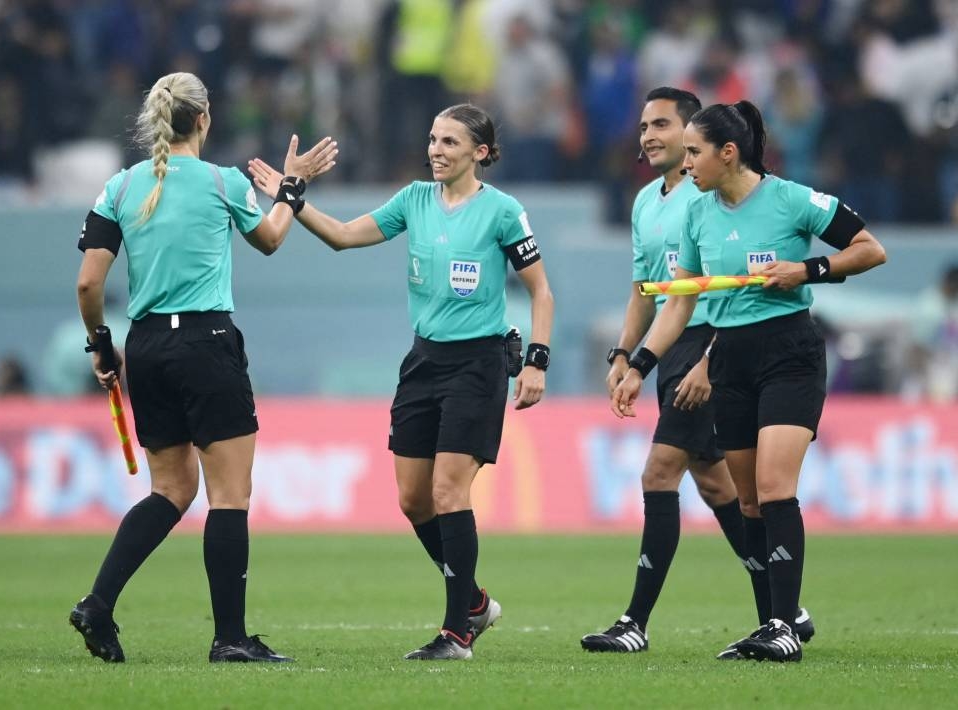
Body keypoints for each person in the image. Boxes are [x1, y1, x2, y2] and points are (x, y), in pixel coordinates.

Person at [248, 103, 555, 660]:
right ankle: (477, 602)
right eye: (433, 139)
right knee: (414, 500)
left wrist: (537, 360)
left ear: (480, 153)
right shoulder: (413, 200)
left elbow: (541, 291)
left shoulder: (504, 212)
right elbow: (342, 236)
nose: (436, 150)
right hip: (422, 363)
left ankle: (457, 632)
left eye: (450, 143)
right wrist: (292, 197)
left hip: (478, 364)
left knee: (448, 490)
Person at [69, 71, 337, 664]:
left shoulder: (117, 187)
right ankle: (230, 639)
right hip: (206, 341)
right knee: (229, 495)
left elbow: (90, 282)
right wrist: (290, 190)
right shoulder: (222, 182)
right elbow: (270, 240)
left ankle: (98, 604)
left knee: (171, 488)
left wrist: (101, 345)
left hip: (144, 347)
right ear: (205, 120)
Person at [612, 100, 887, 662]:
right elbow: (679, 303)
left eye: (695, 152)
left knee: (774, 487)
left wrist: (809, 270)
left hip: (789, 353)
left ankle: (784, 628)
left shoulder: (790, 199)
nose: (687, 164)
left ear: (727, 152)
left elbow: (870, 249)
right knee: (750, 503)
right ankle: (774, 625)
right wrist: (638, 364)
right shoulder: (698, 215)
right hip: (730, 359)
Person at [581, 87, 813, 655]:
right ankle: (784, 611)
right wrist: (625, 355)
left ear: (696, 137)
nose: (649, 136)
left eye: (662, 124)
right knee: (715, 485)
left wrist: (710, 357)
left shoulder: (711, 196)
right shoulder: (646, 202)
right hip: (670, 347)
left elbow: (721, 289)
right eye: (643, 126)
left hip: (709, 345)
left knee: (659, 473)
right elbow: (649, 291)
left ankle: (635, 621)